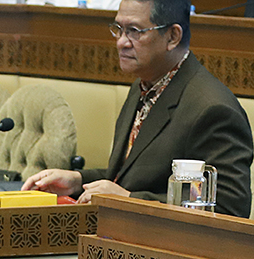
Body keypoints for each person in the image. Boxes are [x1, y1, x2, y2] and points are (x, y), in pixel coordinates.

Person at [22, 0, 253, 217]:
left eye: (134, 31)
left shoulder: (212, 109)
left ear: (172, 36)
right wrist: (77, 180)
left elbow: (228, 210)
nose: (122, 42)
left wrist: (129, 199)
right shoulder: (145, 84)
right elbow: (132, 177)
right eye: (118, 29)